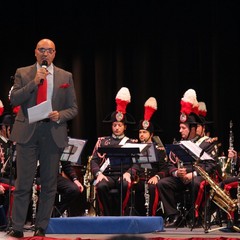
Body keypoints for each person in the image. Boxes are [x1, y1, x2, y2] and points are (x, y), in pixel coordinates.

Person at [7, 38, 78, 238]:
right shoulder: (23, 72)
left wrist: (60, 115)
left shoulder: (66, 76)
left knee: (49, 184)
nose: (45, 53)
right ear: (35, 52)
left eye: (49, 50)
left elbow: (73, 108)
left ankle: (41, 227)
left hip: (52, 132)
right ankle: (18, 227)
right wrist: (34, 82)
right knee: (23, 183)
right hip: (27, 131)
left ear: (55, 53)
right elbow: (14, 99)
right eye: (41, 50)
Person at [157, 89, 218, 228]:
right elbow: (170, 164)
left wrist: (193, 174)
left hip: (198, 177)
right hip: (181, 177)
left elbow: (211, 166)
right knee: (163, 183)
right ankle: (174, 215)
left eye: (183, 128)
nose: (180, 131)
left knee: (196, 183)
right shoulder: (178, 144)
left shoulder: (207, 143)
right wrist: (176, 172)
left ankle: (196, 216)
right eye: (180, 127)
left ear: (192, 129)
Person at [90, 87, 139, 216]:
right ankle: (107, 215)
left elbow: (138, 162)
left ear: (125, 127)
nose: (117, 128)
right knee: (100, 186)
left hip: (124, 174)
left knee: (125, 185)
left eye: (120, 125)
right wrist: (99, 174)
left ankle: (121, 214)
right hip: (107, 175)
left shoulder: (132, 142)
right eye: (114, 125)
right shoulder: (102, 141)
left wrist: (129, 173)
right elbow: (94, 161)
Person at [133, 97, 168, 216]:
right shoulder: (134, 148)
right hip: (139, 179)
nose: (141, 135)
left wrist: (157, 177)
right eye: (140, 132)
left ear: (151, 134)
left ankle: (152, 217)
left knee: (153, 187)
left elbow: (165, 169)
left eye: (144, 132)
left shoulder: (159, 149)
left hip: (152, 178)